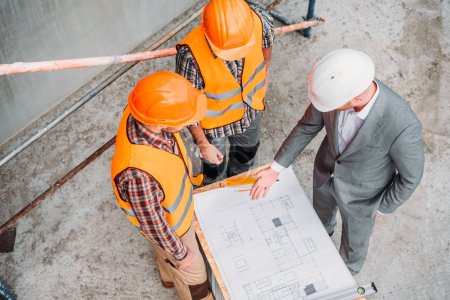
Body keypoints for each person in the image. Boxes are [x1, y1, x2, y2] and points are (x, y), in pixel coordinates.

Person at [250, 48, 425, 275]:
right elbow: (307, 126)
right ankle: (320, 240)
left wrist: (383, 206)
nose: (325, 108)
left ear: (356, 98)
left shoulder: (403, 125)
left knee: (354, 245)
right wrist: (276, 168)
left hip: (363, 197)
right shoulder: (335, 88)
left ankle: (345, 273)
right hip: (325, 173)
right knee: (319, 219)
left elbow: (411, 176)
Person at [110, 71, 213, 300]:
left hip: (170, 216)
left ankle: (168, 276)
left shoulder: (142, 109)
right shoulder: (138, 174)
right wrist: (181, 253)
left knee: (162, 252)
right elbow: (154, 224)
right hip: (174, 229)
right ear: (162, 123)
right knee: (194, 278)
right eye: (182, 120)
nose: (188, 122)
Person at [176, 0, 274, 184]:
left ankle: (236, 184)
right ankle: (216, 190)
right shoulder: (191, 55)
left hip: (251, 111)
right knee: (213, 170)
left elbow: (267, 52)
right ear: (206, 31)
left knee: (245, 157)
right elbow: (188, 106)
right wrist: (204, 144)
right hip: (214, 127)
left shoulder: (259, 21)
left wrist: (263, 81)